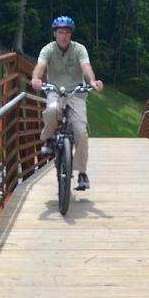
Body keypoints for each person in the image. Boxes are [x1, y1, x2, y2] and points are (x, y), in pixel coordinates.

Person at [30, 15, 104, 190]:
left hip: (76, 93)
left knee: (81, 132)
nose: (64, 36)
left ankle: (82, 173)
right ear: (55, 34)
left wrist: (92, 81)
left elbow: (86, 67)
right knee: (51, 109)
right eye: (60, 32)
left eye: (67, 32)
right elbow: (40, 67)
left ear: (71, 35)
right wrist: (35, 79)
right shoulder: (48, 49)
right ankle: (48, 139)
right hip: (54, 90)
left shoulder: (79, 49)